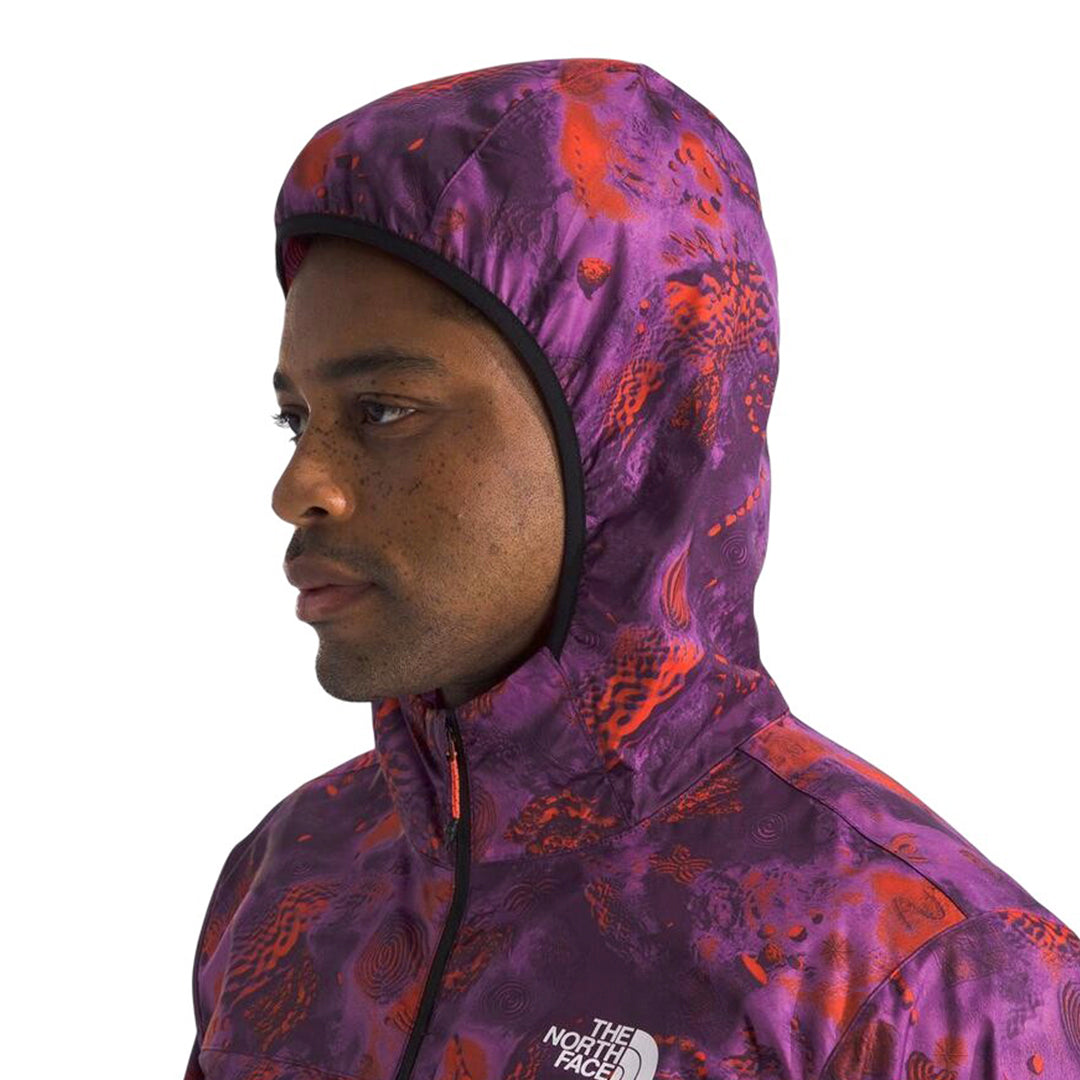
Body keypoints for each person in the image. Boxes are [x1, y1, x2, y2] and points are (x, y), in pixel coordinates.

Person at [184, 58, 1080, 1080]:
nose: (300, 487)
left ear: (630, 422)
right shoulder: (290, 883)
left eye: (383, 411)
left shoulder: (924, 978)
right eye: (295, 419)